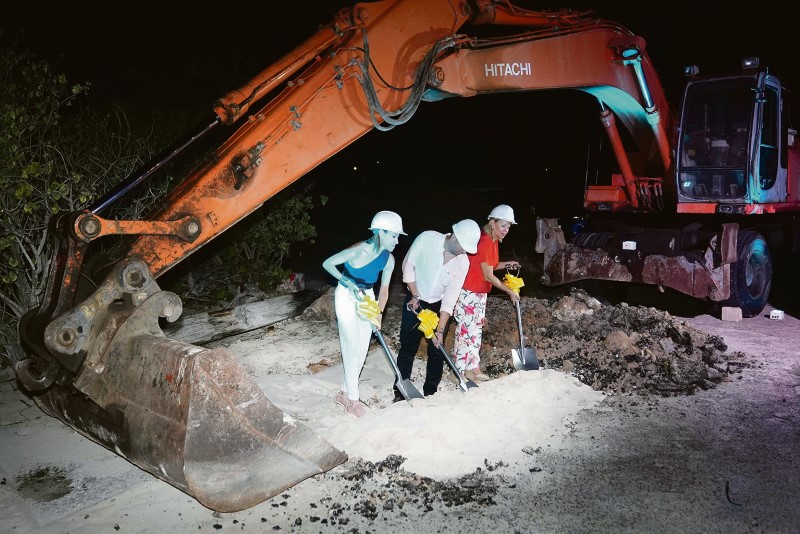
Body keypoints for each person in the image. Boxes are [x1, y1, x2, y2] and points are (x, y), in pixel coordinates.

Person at [322, 210, 406, 417]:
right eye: (394, 236)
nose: (397, 241)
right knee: (350, 344)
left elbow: (384, 290)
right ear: (380, 232)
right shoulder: (358, 251)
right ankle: (353, 400)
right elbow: (327, 264)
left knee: (361, 348)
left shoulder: (389, 260)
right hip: (346, 293)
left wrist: (378, 313)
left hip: (367, 296)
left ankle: (343, 392)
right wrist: (346, 282)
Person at [394, 219, 481, 401]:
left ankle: (430, 392)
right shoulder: (427, 238)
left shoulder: (462, 262)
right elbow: (407, 267)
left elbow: (450, 297)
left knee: (436, 349)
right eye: (463, 246)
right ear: (455, 236)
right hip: (415, 297)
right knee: (408, 346)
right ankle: (400, 393)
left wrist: (440, 330)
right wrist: (415, 295)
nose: (464, 251)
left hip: (438, 305)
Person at [452, 204, 521, 382]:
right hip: (468, 292)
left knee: (476, 330)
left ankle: (472, 368)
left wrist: (506, 264)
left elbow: (490, 265)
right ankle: (457, 371)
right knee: (465, 331)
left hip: (480, 293)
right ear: (492, 222)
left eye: (509, 226)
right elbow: (488, 275)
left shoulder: (493, 240)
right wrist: (509, 291)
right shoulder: (484, 242)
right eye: (503, 225)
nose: (506, 230)